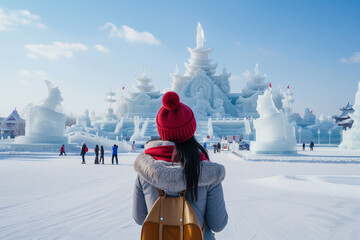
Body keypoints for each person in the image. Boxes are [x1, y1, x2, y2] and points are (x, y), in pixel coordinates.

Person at [133, 92, 228, 239]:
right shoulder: (208, 172)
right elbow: (218, 224)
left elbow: (139, 218)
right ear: (191, 130)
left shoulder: (146, 170)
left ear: (161, 131)